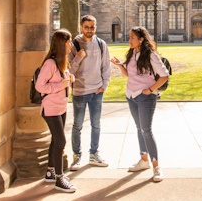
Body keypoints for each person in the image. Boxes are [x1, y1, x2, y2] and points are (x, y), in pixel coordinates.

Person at [110, 26, 169, 182]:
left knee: (146, 130)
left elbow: (164, 76)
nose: (129, 40)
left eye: (132, 38)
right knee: (139, 128)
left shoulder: (151, 55)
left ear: (141, 39)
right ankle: (144, 160)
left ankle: (156, 167)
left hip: (145, 97)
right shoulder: (132, 53)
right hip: (131, 95)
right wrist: (120, 65)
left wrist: (150, 90)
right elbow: (129, 75)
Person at [68, 15, 111, 170]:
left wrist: (104, 86)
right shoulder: (74, 45)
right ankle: (76, 156)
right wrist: (78, 58)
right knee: (77, 125)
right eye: (86, 27)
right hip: (79, 91)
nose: (89, 30)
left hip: (96, 92)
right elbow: (69, 70)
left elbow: (106, 67)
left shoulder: (101, 44)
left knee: (96, 124)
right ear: (81, 27)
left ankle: (94, 154)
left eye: (92, 27)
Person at [35, 29, 76, 193]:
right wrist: (62, 85)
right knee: (61, 142)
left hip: (61, 107)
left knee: (55, 140)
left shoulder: (61, 62)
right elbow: (40, 86)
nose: (71, 45)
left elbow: (61, 82)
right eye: (68, 42)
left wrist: (69, 80)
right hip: (51, 109)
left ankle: (50, 171)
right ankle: (59, 178)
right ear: (61, 44)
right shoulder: (50, 64)